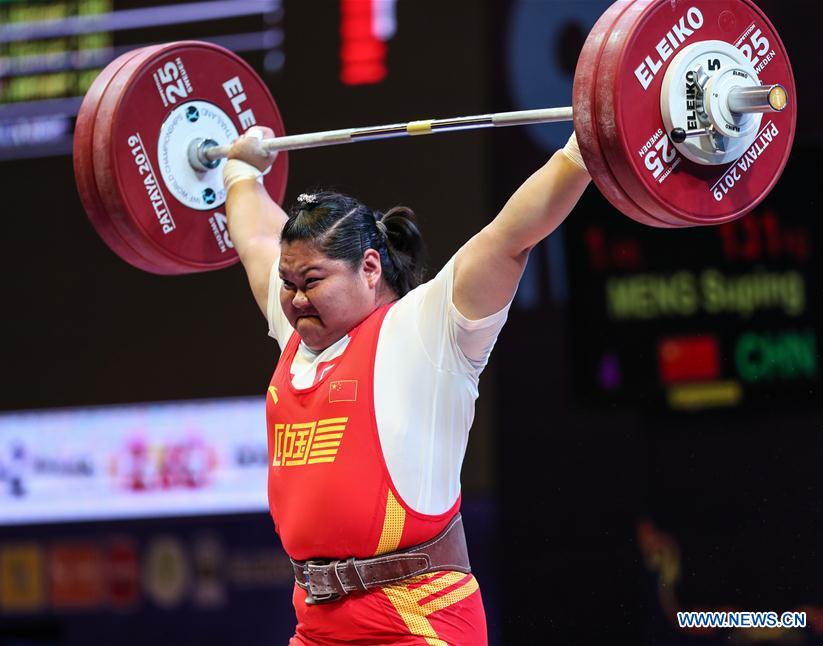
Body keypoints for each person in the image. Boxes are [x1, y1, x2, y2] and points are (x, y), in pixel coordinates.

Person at [224, 125, 591, 645]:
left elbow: (511, 237)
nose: (296, 297)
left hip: (418, 618)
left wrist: (584, 150)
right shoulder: (297, 334)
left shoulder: (428, 330)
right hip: (317, 624)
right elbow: (258, 239)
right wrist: (241, 172)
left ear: (369, 267)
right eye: (288, 284)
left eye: (312, 283)